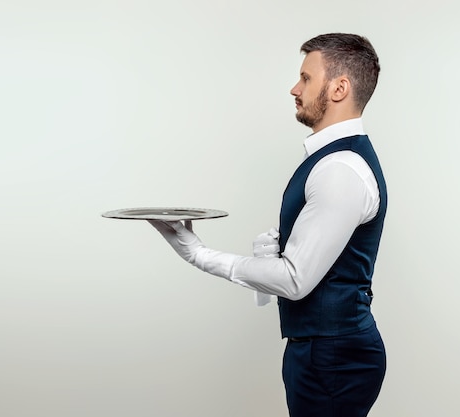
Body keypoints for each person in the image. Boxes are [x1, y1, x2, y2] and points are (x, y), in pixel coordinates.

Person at [148, 33, 387, 417]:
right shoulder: (331, 161)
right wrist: (274, 256)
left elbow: (295, 280)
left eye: (307, 78)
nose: (295, 88)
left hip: (333, 358)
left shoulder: (340, 169)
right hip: (323, 351)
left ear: (340, 88)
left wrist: (199, 254)